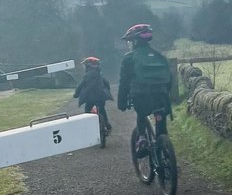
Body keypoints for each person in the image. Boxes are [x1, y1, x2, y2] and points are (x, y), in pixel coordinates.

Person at [116, 24, 172, 155]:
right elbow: (169, 78)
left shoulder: (129, 58)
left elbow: (124, 82)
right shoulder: (159, 56)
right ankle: (167, 155)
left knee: (141, 114)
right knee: (161, 128)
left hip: (142, 98)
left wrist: (122, 102)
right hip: (162, 98)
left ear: (134, 42)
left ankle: (141, 139)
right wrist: (166, 92)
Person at [73, 56, 112, 132]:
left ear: (88, 66)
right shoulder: (100, 75)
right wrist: (108, 90)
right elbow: (106, 83)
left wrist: (76, 94)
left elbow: (80, 86)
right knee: (102, 110)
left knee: (87, 111)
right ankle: (107, 124)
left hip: (89, 99)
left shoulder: (87, 76)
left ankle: (88, 127)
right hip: (100, 97)